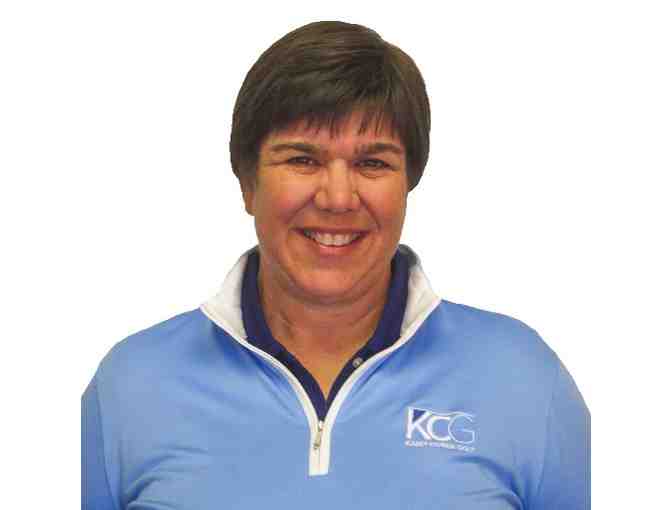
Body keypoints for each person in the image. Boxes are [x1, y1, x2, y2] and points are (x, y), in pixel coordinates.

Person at [82, 20, 590, 509]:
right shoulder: (130, 387)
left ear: (408, 184)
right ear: (247, 184)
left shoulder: (522, 379)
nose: (338, 198)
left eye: (373, 163)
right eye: (303, 160)